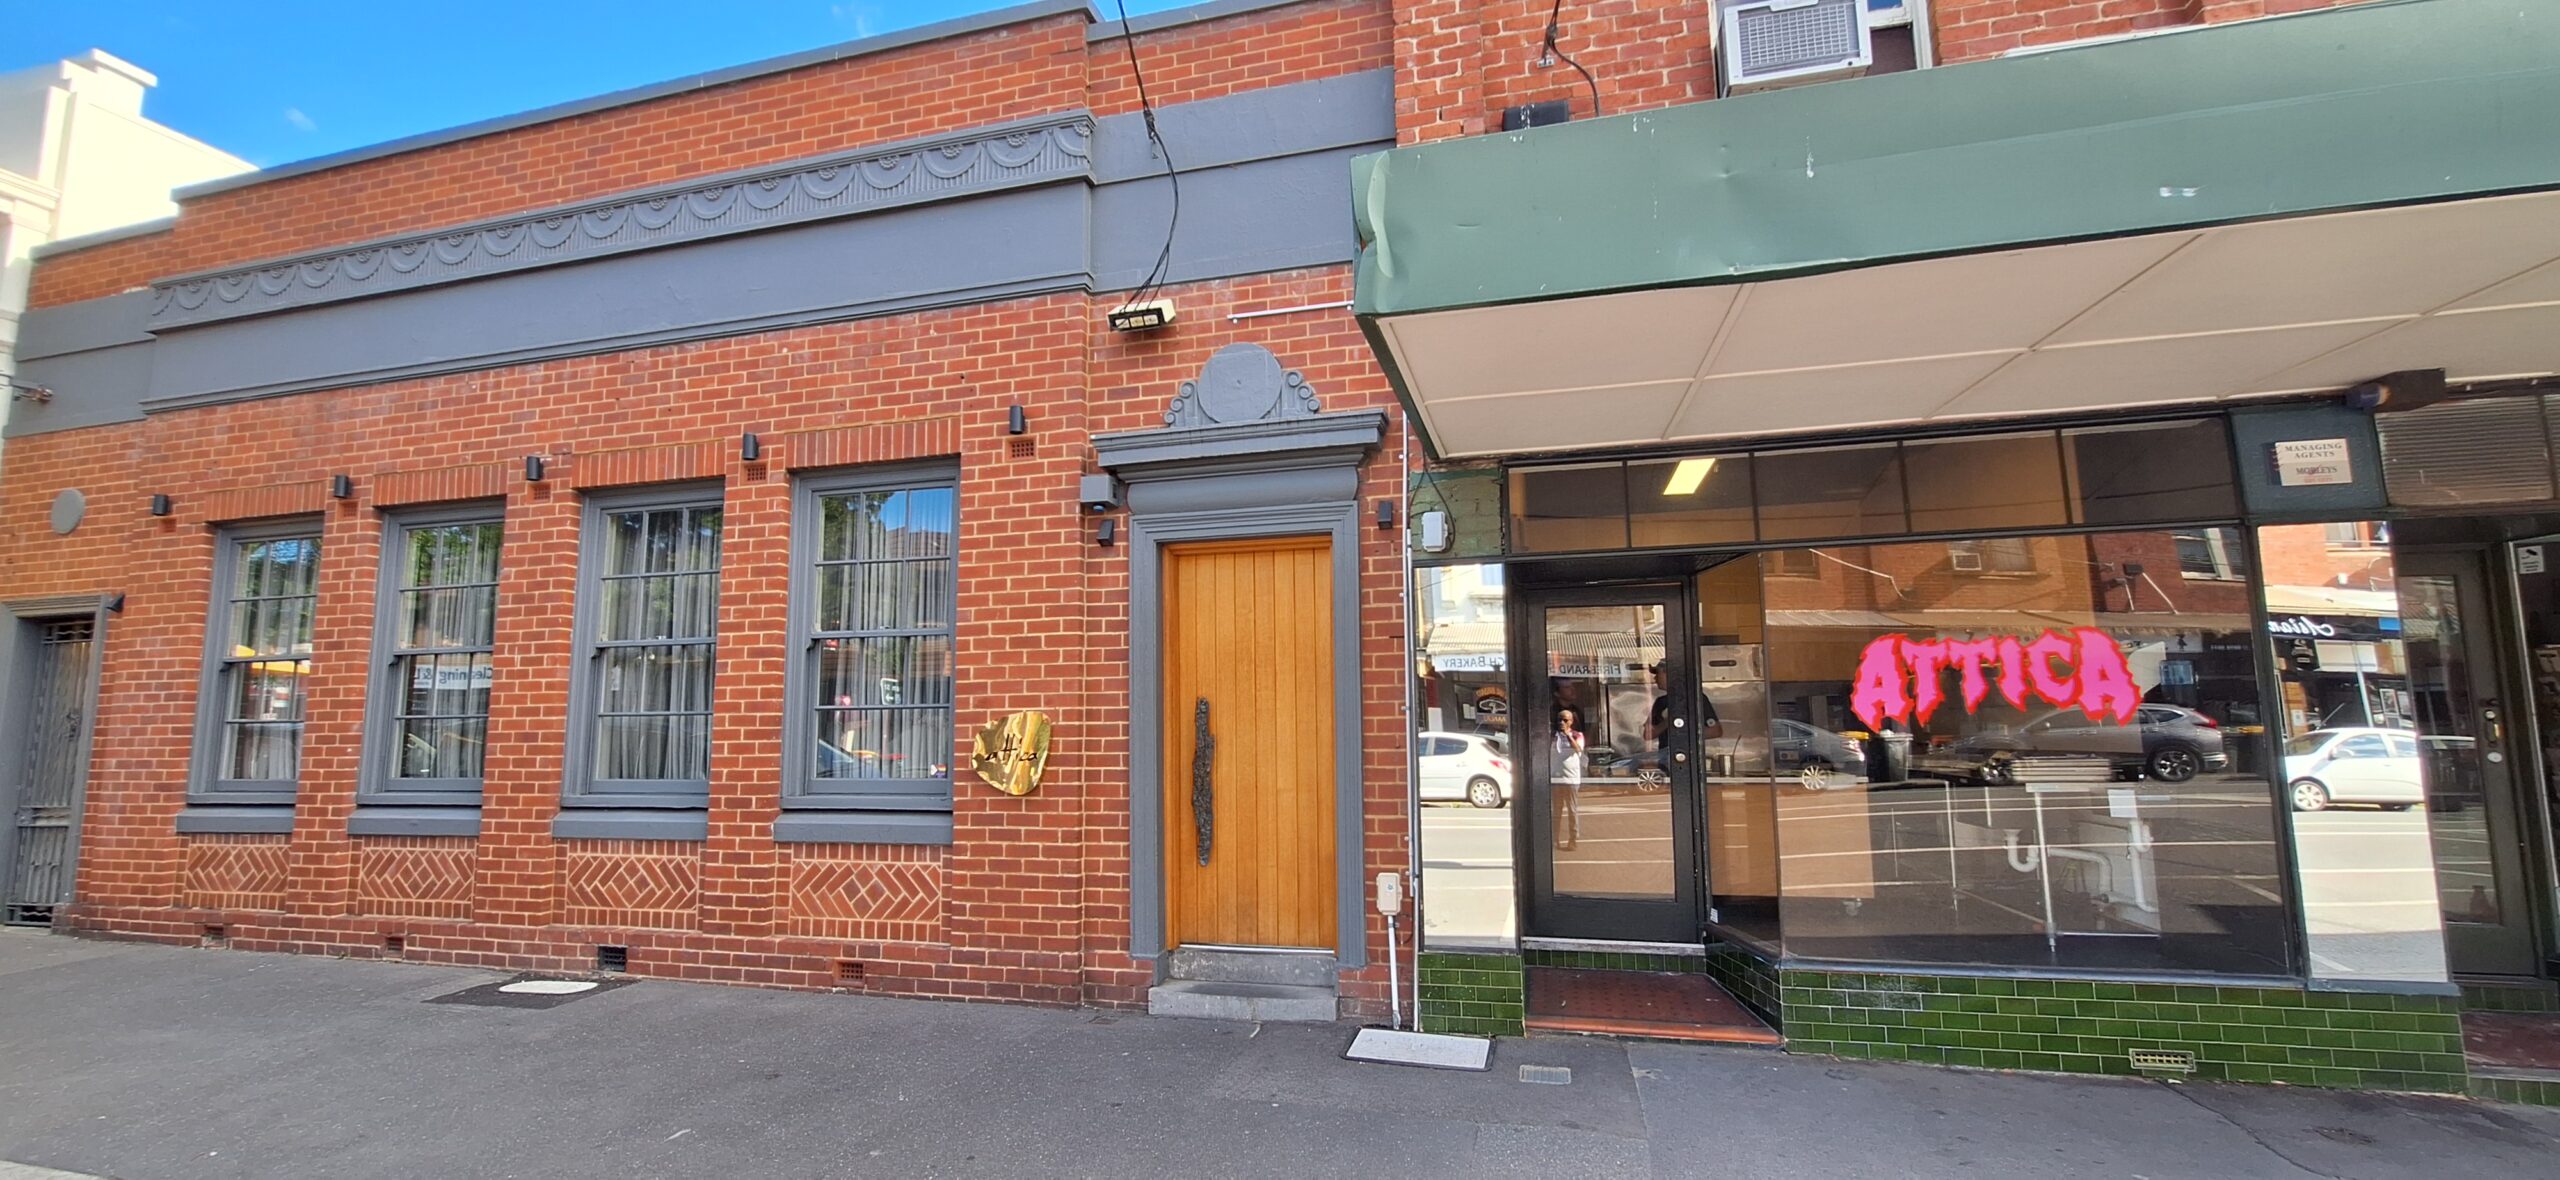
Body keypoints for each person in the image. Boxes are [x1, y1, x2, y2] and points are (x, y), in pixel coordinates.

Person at [1644, 661, 1722, 750]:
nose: (1655, 678)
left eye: (1658, 673)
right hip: (1666, 757)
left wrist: (1684, 733)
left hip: (1690, 755)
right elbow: (1648, 734)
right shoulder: (1661, 702)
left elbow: (1715, 731)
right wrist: (1668, 722)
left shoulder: (1695, 699)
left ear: (1670, 675)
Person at [1551, 706, 1587, 850]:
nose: (1561, 722)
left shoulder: (1578, 735)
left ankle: (1573, 839)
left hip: (1571, 779)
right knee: (1556, 811)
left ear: (1571, 722)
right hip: (1556, 779)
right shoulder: (1553, 736)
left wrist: (1568, 735)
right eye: (1559, 719)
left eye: (1565, 720)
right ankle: (1555, 839)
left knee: (1572, 810)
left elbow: (1578, 749)